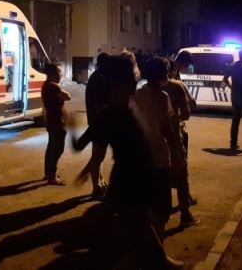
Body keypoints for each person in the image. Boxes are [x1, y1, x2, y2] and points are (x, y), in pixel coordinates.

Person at [73, 55, 184, 269]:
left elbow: (85, 146)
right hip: (127, 180)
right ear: (117, 85)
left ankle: (148, 260)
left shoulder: (127, 109)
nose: (134, 83)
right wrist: (71, 129)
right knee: (134, 223)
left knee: (135, 224)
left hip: (135, 177)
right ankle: (155, 262)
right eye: (130, 80)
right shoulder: (113, 115)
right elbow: (87, 146)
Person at [131, 57, 185, 239]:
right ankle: (157, 246)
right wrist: (177, 156)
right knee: (161, 208)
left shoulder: (136, 94)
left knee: (145, 204)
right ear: (164, 74)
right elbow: (167, 129)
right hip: (159, 157)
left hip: (139, 157)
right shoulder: (162, 97)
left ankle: (146, 244)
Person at [162, 58, 199, 227]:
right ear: (170, 70)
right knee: (181, 173)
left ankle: (162, 213)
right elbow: (187, 112)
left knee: (161, 174)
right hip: (174, 136)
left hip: (152, 139)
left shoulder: (144, 90)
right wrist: (175, 117)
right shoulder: (177, 86)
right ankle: (185, 215)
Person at [85, 52, 110, 199]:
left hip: (98, 122)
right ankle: (96, 187)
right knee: (98, 155)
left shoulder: (97, 76)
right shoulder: (99, 78)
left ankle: (100, 182)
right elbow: (99, 102)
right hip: (100, 123)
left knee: (99, 155)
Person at [42, 62, 70, 185]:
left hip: (52, 120)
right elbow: (68, 96)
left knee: (51, 147)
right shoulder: (53, 86)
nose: (61, 74)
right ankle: (52, 176)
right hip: (57, 121)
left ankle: (48, 173)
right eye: (59, 72)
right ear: (53, 73)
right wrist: (61, 89)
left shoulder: (47, 85)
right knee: (57, 149)